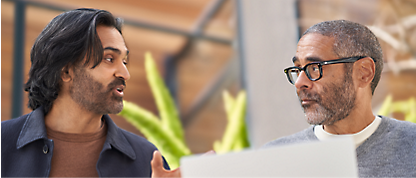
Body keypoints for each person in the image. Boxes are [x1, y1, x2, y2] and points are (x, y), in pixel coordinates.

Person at [1, 8, 178, 178]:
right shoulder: (3, 144)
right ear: (66, 71)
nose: (125, 74)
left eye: (124, 61)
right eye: (109, 59)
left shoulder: (146, 159)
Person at [263, 20, 416, 177]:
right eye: (298, 69)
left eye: (314, 68)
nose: (299, 83)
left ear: (364, 72)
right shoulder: (272, 160)